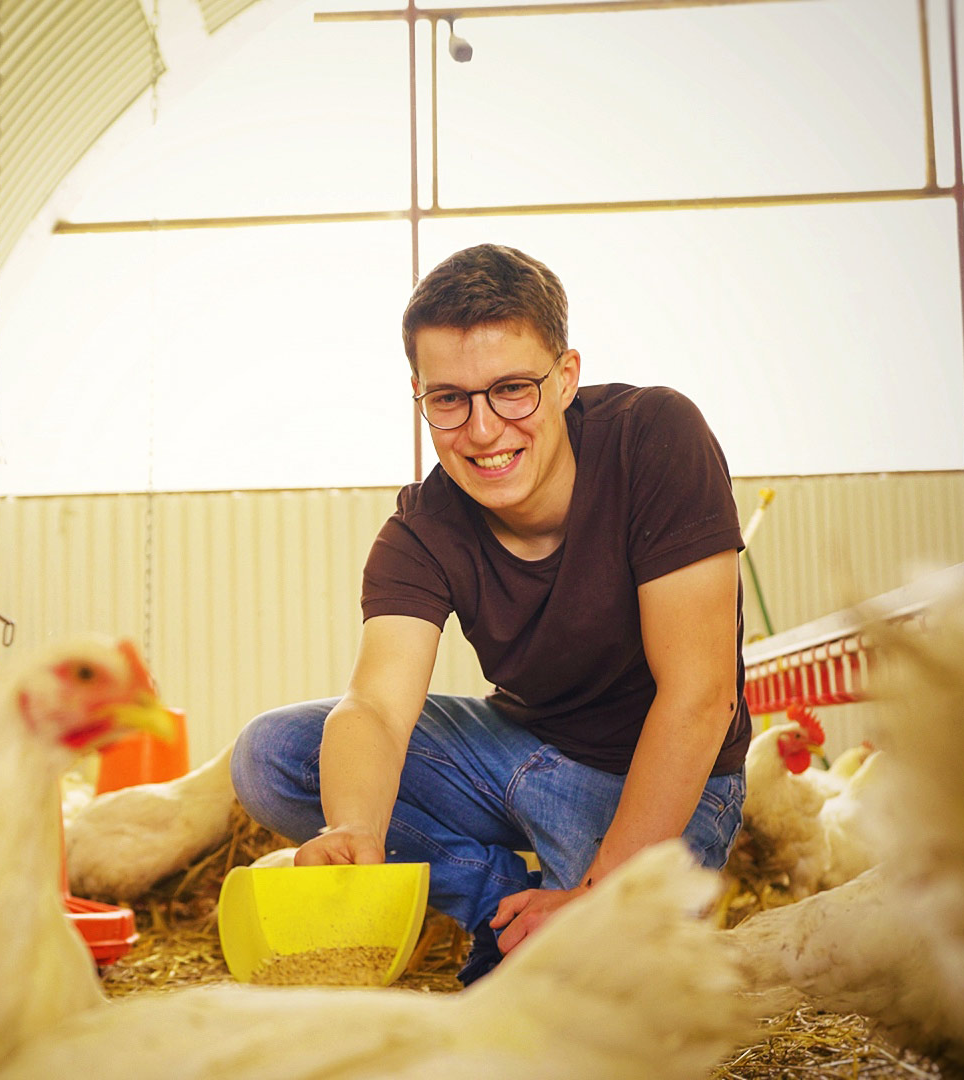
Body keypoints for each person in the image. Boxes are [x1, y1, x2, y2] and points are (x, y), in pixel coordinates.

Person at [230, 243, 751, 984]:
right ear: (420, 394)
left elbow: (699, 698)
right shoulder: (422, 528)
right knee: (271, 754)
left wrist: (598, 897)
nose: (481, 430)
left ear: (566, 377)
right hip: (518, 747)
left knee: (607, 995)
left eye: (512, 389)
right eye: (449, 398)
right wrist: (353, 828)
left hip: (663, 777)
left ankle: (556, 934)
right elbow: (376, 706)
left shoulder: (655, 439)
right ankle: (500, 904)